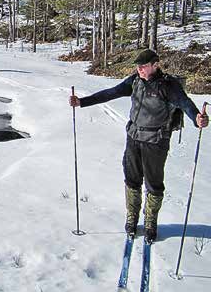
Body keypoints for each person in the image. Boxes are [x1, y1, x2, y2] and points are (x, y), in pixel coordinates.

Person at [69, 49, 208, 243]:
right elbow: (111, 93)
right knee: (132, 178)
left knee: (154, 182)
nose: (139, 69)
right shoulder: (134, 81)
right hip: (134, 137)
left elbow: (185, 103)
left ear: (155, 64)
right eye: (138, 66)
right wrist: (82, 102)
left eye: (143, 66)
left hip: (156, 141)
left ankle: (151, 221)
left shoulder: (168, 85)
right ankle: (132, 217)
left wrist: (197, 118)